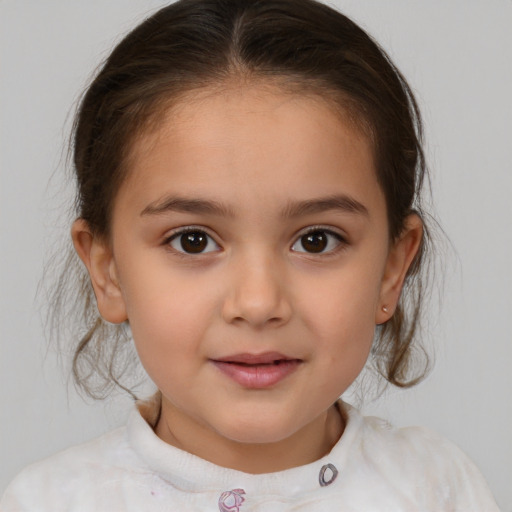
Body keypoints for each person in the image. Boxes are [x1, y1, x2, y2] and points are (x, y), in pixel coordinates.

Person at [0, 0, 500, 510]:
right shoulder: (49, 502)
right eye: (192, 240)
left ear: (393, 269)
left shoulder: (437, 491)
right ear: (107, 273)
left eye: (316, 240)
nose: (259, 303)